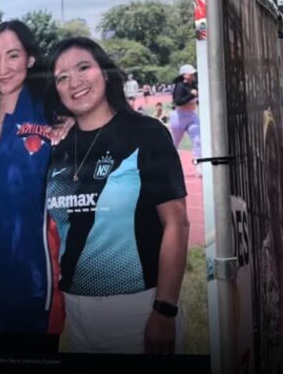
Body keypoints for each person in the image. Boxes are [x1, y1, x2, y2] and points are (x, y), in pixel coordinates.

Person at [45, 37, 189, 354]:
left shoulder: (146, 133)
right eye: (62, 77)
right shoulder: (59, 151)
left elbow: (176, 224)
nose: (75, 82)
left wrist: (164, 310)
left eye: (84, 68)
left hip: (138, 308)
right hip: (77, 314)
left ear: (106, 73)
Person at [0, 21, 66, 350]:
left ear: (30, 60)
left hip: (27, 256)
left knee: (24, 353)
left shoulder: (52, 118)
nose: (3, 68)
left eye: (12, 56)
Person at [170, 64, 202, 164]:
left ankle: (199, 164)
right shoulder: (179, 86)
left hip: (191, 116)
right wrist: (191, 96)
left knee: (198, 140)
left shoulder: (193, 85)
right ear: (184, 75)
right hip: (179, 117)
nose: (193, 75)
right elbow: (178, 101)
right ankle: (169, 163)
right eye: (191, 74)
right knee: (175, 143)